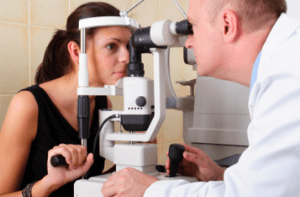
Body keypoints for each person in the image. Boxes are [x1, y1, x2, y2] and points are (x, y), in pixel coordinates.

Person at [101, 0, 300, 196]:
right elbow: (272, 184)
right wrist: (222, 176)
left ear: (227, 25)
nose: (188, 42)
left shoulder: (288, 79)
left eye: (193, 27)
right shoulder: (283, 64)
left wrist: (150, 191)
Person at [0, 2, 132, 197]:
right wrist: (48, 184)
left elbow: (85, 185)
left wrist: (131, 163)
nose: (127, 57)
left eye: (128, 46)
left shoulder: (104, 104)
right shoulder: (28, 105)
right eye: (112, 46)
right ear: (76, 52)